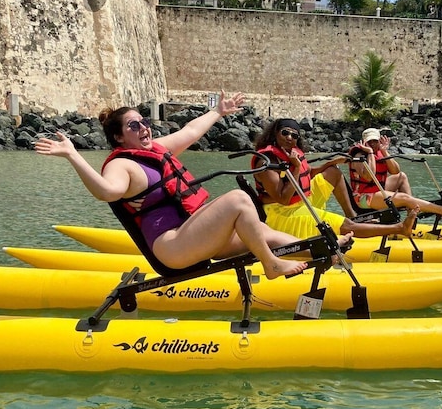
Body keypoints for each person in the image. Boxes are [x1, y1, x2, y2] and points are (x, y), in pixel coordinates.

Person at [34, 91, 323, 280]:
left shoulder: (155, 150)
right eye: (133, 126)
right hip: (172, 247)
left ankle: (327, 253)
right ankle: (271, 265)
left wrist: (219, 112)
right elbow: (106, 192)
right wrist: (73, 155)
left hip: (191, 236)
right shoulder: (120, 165)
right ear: (120, 138)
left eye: (143, 121)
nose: (144, 128)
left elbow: (190, 131)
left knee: (263, 230)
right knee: (237, 200)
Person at [252, 118, 418, 240]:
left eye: (294, 135)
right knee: (346, 226)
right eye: (285, 133)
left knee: (333, 171)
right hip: (283, 214)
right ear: (275, 133)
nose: (289, 138)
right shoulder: (267, 161)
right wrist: (295, 167)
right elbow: (283, 198)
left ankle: (352, 214)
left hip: (301, 201)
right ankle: (399, 228)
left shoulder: (292, 153)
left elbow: (308, 174)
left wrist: (333, 162)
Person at [348, 127, 442, 219]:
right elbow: (369, 177)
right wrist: (370, 153)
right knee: (404, 198)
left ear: (379, 141)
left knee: (401, 176)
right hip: (363, 198)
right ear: (363, 142)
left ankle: (411, 215)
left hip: (378, 191)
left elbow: (395, 171)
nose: (372, 144)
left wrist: (384, 151)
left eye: (375, 141)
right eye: (369, 142)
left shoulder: (380, 152)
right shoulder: (358, 155)